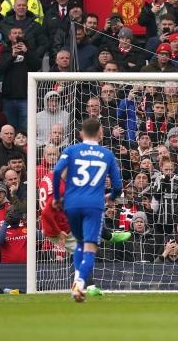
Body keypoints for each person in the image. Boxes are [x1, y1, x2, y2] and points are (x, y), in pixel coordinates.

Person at [52, 118, 123, 302]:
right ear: (100, 133)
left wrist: (56, 198)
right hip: (93, 205)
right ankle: (80, 283)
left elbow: (57, 171)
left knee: (79, 244)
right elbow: (117, 185)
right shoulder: (106, 154)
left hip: (71, 204)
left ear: (81, 133)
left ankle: (77, 280)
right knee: (90, 247)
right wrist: (112, 197)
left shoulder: (71, 150)